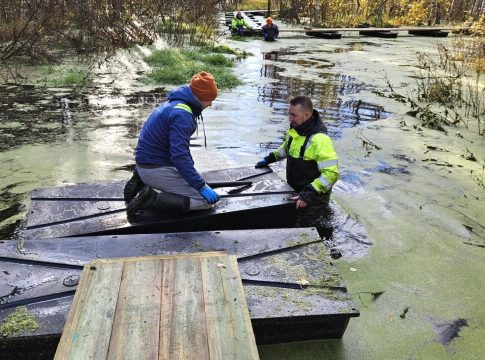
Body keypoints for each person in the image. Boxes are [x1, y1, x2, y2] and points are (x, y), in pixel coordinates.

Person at [125, 72, 220, 218]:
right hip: (154, 168)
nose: (211, 104)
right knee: (204, 201)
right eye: (209, 99)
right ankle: (152, 199)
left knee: (197, 178)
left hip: (145, 164)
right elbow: (180, 156)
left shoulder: (176, 103)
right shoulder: (182, 116)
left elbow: (178, 152)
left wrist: (197, 180)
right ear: (200, 97)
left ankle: (141, 180)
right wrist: (200, 186)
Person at [255, 96, 339, 227]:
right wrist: (270, 159)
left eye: (294, 115)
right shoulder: (294, 132)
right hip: (296, 192)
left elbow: (331, 174)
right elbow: (286, 148)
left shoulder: (320, 140)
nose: (290, 118)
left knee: (308, 228)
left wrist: (308, 195)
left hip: (314, 197)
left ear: (306, 115)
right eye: (289, 114)